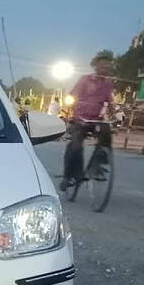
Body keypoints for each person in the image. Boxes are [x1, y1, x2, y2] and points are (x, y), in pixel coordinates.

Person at [60, 54, 114, 191]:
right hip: (80, 118)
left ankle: (97, 166)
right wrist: (72, 109)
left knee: (106, 134)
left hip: (96, 119)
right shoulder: (85, 80)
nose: (105, 68)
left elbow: (110, 101)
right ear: (96, 66)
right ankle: (68, 176)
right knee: (75, 146)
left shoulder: (108, 84)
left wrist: (113, 114)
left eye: (108, 66)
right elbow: (72, 95)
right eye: (102, 65)